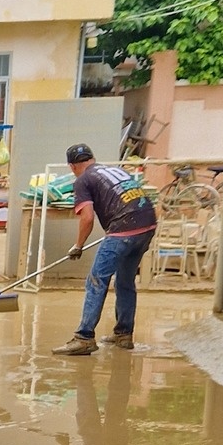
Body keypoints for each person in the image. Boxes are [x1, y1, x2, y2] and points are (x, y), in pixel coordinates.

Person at [52, 142, 157, 357]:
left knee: (96, 280)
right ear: (92, 158)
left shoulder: (83, 180)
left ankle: (84, 338)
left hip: (124, 228)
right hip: (147, 224)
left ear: (72, 166)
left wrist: (78, 246)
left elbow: (87, 217)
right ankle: (123, 334)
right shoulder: (114, 169)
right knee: (125, 281)